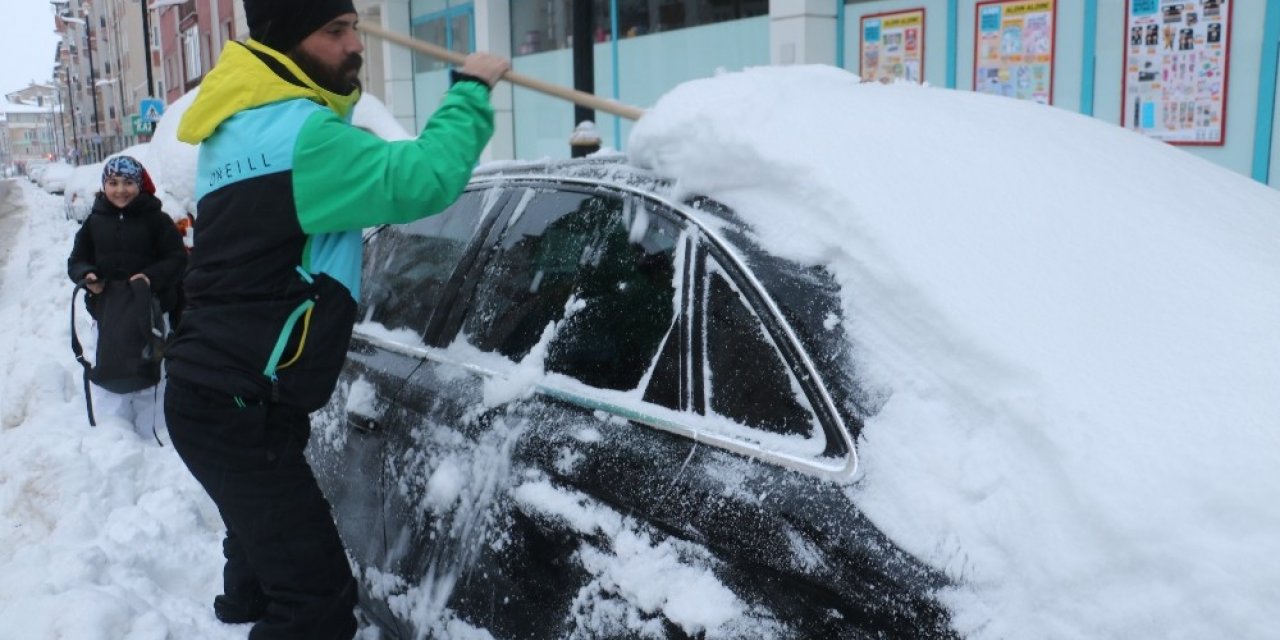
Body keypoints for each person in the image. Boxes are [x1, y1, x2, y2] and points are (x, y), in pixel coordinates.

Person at [161, 1, 510, 638]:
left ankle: (239, 614)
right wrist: (469, 92)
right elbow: (425, 178)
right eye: (334, 31)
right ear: (287, 41)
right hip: (237, 404)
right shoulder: (305, 137)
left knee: (263, 544)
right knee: (317, 602)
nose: (356, 44)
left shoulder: (236, 126)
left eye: (354, 26)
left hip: (221, 392)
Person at [67, 155, 187, 441]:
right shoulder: (95, 222)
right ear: (104, 185)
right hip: (109, 313)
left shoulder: (157, 220)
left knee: (152, 368)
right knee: (111, 365)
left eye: (128, 183)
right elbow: (76, 260)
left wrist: (150, 278)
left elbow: (178, 259)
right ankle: (115, 433)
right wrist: (88, 276)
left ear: (140, 185)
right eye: (113, 183)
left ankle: (155, 428)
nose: (121, 190)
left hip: (152, 311)